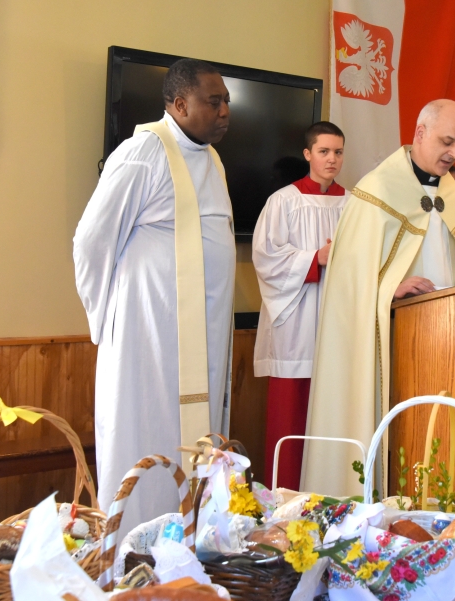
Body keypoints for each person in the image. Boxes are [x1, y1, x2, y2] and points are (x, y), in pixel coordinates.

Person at [73, 59, 235, 530]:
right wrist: (107, 321)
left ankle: (191, 544)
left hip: (198, 338)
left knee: (196, 438)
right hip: (149, 333)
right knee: (145, 434)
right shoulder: (143, 153)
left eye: (226, 101)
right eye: (215, 101)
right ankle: (131, 551)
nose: (225, 111)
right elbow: (91, 240)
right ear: (180, 104)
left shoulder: (211, 157)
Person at [301, 99, 455, 495]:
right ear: (420, 133)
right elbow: (348, 283)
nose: (453, 153)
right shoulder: (376, 191)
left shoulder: (452, 193)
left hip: (450, 342)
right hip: (393, 341)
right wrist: (390, 286)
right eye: (446, 141)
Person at [252, 122, 349, 490]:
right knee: (291, 418)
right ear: (308, 154)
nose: (332, 159)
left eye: (338, 152)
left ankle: (331, 494)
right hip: (296, 322)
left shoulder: (352, 203)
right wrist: (316, 258)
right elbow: (265, 258)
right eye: (324, 151)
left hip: (336, 322)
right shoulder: (284, 201)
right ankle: (285, 498)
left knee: (333, 415)